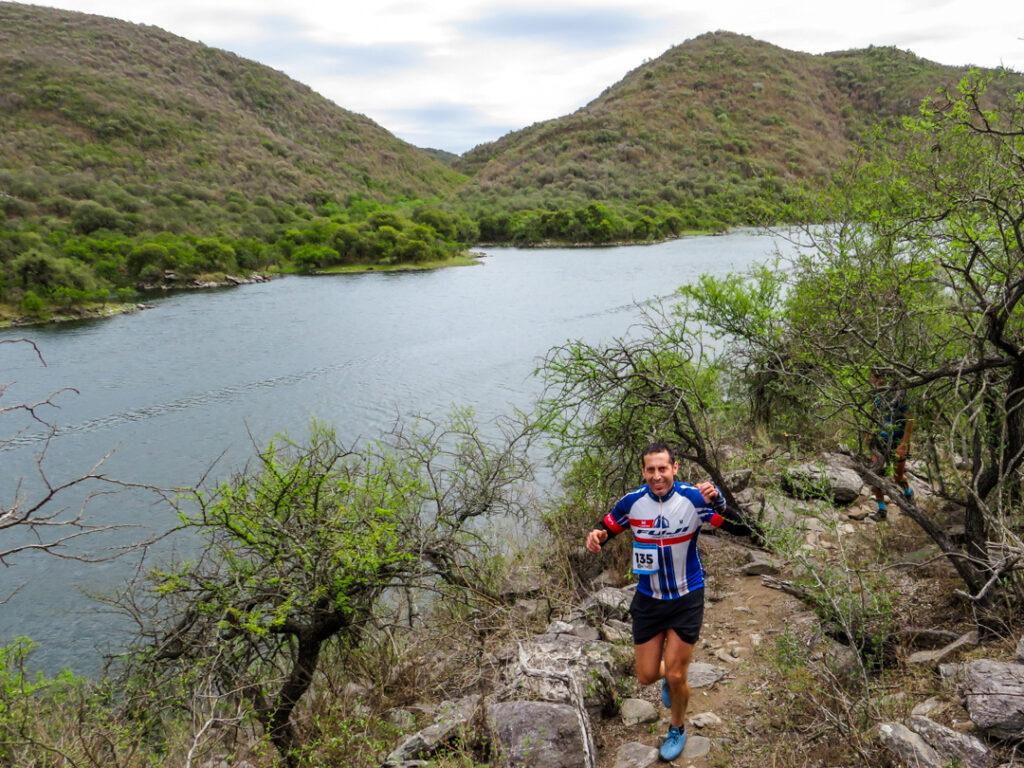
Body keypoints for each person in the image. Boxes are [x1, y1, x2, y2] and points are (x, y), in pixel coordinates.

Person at [584, 441, 749, 761]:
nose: (657, 475)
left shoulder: (694, 499)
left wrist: (720, 502)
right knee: (646, 675)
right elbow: (607, 527)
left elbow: (743, 529)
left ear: (674, 469)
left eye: (663, 468)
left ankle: (678, 727)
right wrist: (596, 535)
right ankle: (670, 679)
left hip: (687, 596)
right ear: (643, 472)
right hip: (648, 599)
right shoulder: (632, 502)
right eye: (651, 470)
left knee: (676, 675)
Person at [866, 368, 914, 521]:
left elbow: (910, 419)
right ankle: (881, 511)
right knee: (876, 475)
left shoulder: (900, 395)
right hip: (880, 440)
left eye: (873, 377)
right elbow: (874, 414)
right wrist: (869, 432)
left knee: (897, 476)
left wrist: (904, 444)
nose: (872, 380)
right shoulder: (877, 395)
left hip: (898, 440)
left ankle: (908, 496)